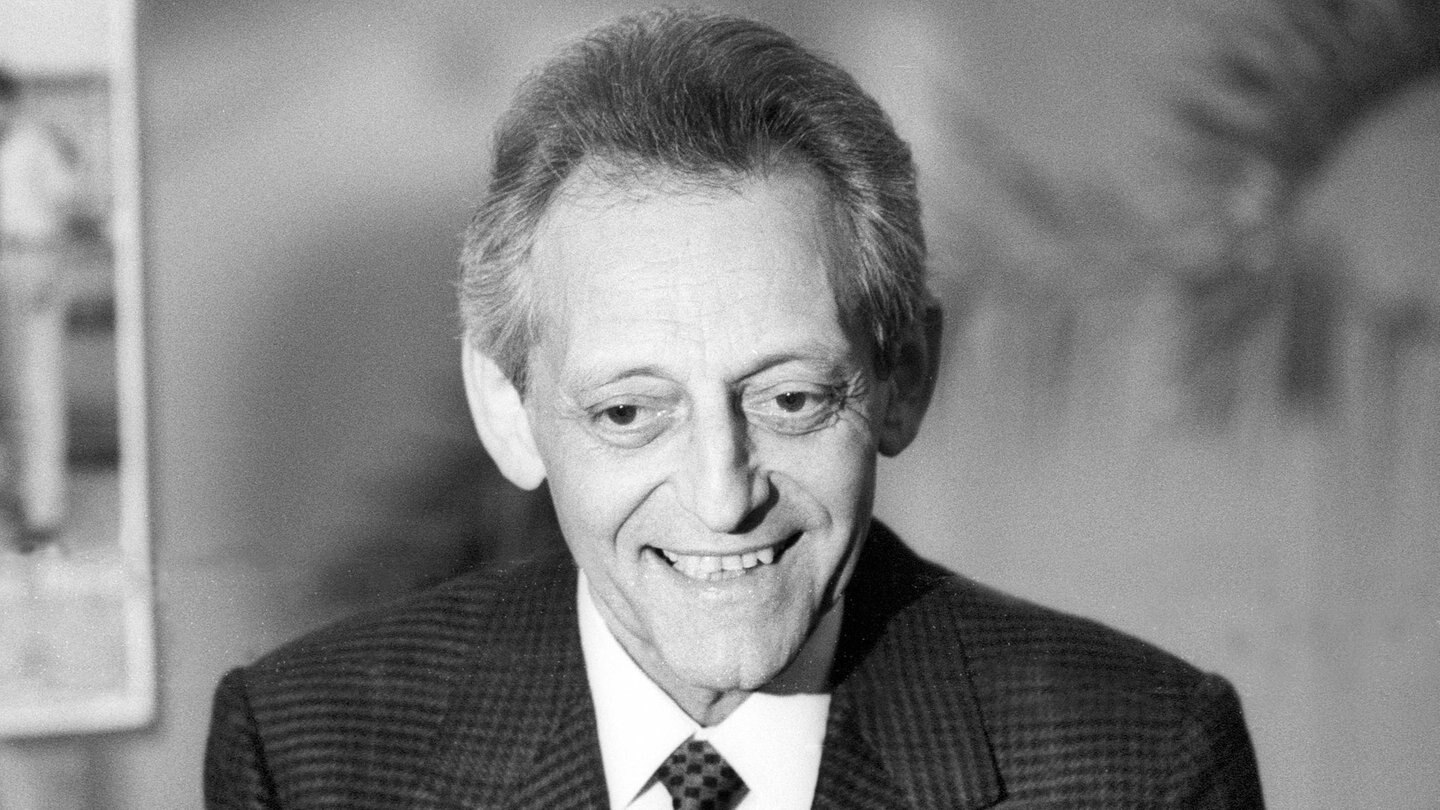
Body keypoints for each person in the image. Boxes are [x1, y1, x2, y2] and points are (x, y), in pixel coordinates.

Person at [204, 9, 1264, 808]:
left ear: (903, 376)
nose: (722, 498)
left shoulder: (1142, 762)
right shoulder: (309, 757)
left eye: (790, 399)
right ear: (507, 408)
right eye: (630, 413)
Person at [0, 67, 76, 544]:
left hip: (34, 262)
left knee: (37, 390)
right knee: (9, 393)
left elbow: (65, 210)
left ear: (10, 101)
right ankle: (17, 496)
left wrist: (52, 269)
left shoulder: (38, 144)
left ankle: (43, 513)